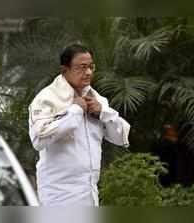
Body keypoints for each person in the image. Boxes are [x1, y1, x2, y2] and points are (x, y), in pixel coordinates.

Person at [28, 44, 130, 206]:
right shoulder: (47, 98)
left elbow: (121, 137)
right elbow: (38, 140)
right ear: (64, 70)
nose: (88, 72)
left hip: (90, 191)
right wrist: (74, 111)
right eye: (82, 68)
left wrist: (103, 112)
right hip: (58, 195)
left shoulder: (96, 99)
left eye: (91, 67)